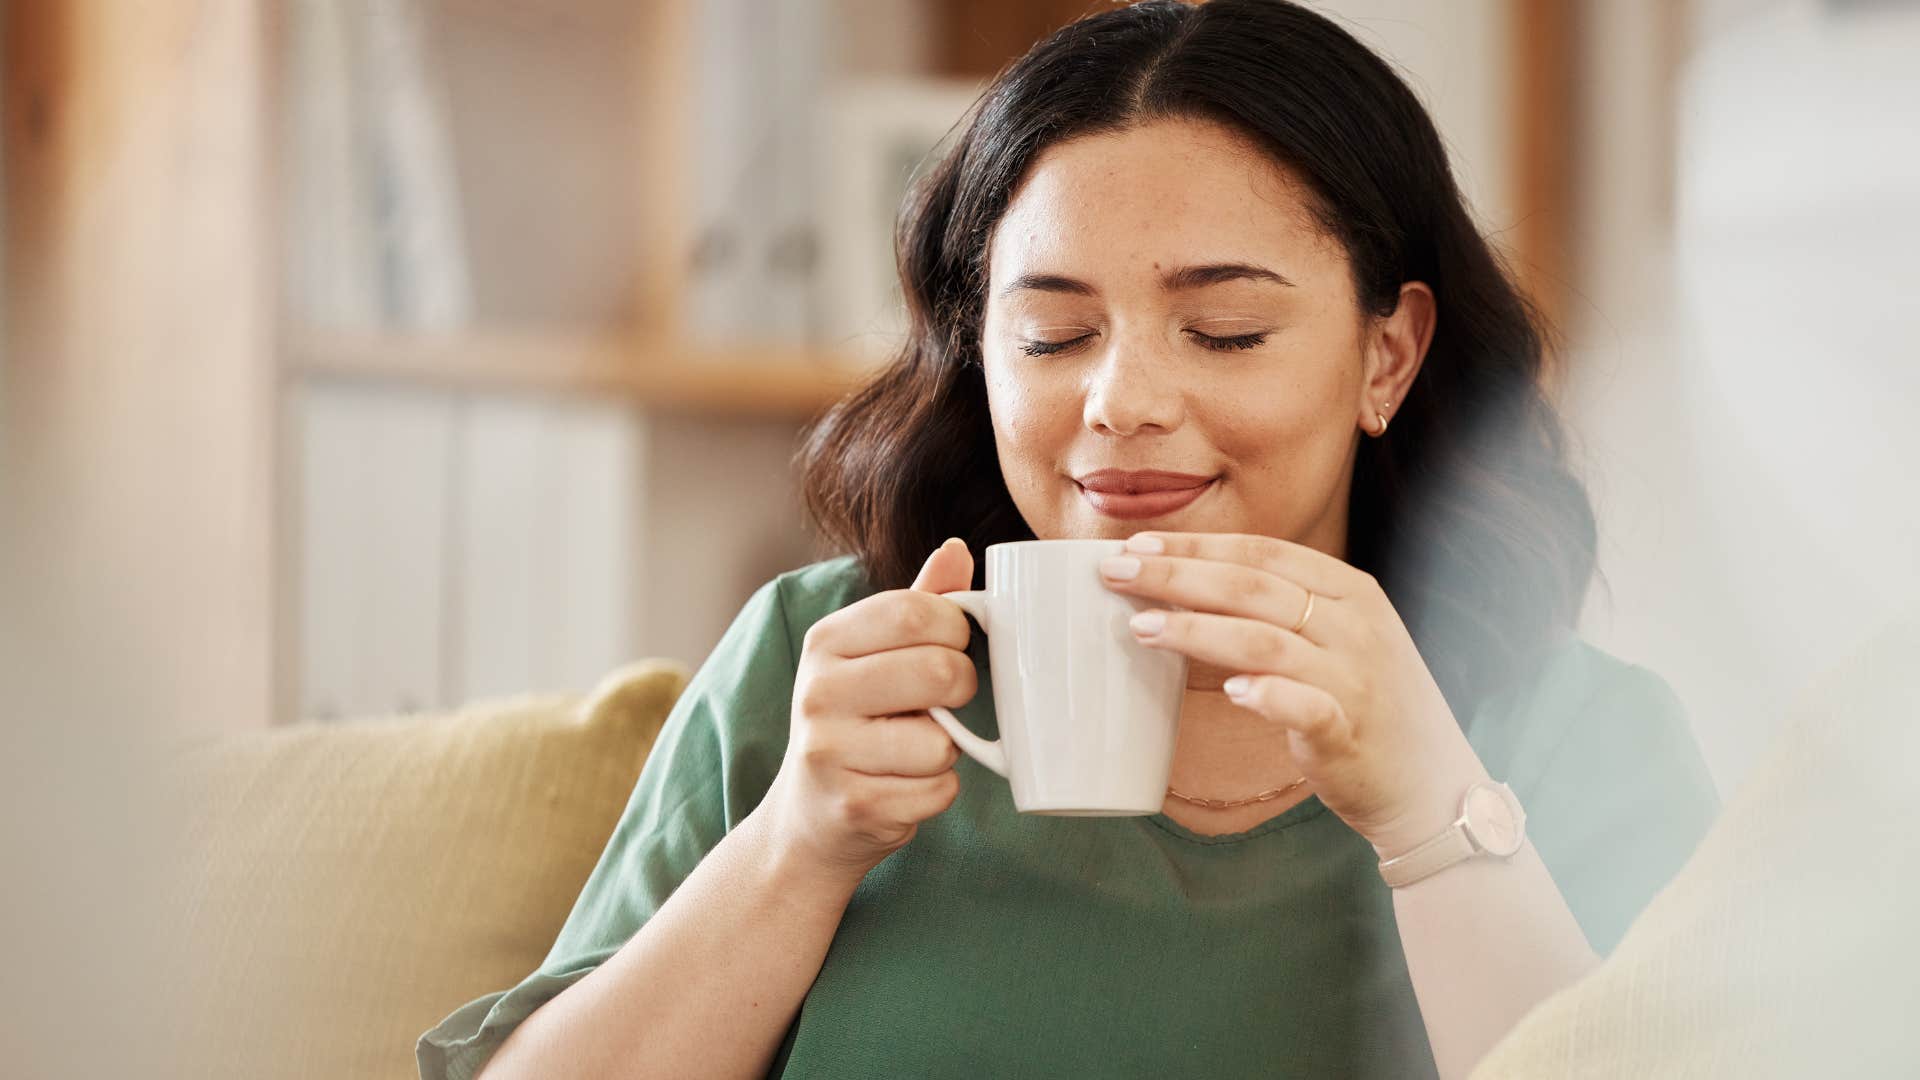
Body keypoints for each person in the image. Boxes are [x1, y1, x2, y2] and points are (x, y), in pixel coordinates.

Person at [418, 2, 1718, 1077]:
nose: (1119, 403)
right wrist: (796, 846)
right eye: (1050, 333)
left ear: (1388, 355)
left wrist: (1432, 820)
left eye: (1224, 331)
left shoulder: (1576, 742)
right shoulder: (821, 672)